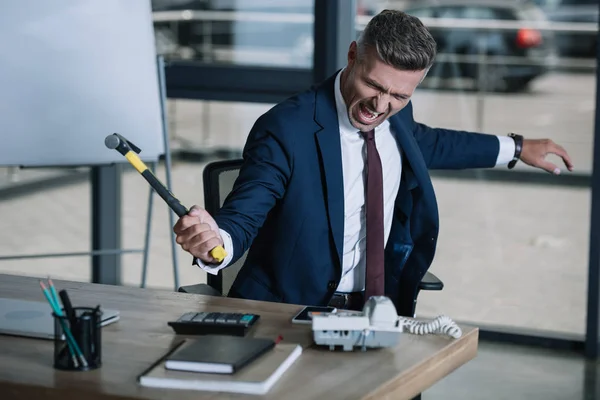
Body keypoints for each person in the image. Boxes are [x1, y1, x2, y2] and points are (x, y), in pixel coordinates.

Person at [173, 10, 573, 316]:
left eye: (399, 96)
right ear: (352, 56)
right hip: (287, 313)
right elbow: (245, 212)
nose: (380, 107)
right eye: (374, 86)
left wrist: (517, 147)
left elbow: (431, 143)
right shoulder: (286, 128)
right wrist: (216, 245)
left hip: (375, 311)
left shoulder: (397, 115)